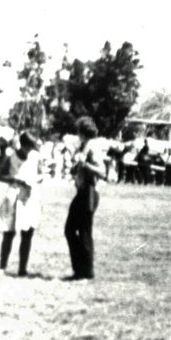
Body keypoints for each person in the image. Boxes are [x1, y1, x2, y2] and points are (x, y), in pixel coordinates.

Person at [0, 132, 43, 276]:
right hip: (14, 195)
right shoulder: (11, 157)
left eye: (32, 147)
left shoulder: (35, 157)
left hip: (30, 196)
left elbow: (40, 175)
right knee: (8, 232)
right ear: (22, 145)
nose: (30, 150)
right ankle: (2, 267)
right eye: (28, 147)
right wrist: (16, 179)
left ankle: (22, 269)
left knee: (27, 233)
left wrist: (35, 179)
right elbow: (0, 176)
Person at [64, 117, 106, 280]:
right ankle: (79, 269)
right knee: (70, 230)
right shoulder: (83, 145)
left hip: (89, 191)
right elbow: (78, 167)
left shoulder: (92, 146)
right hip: (81, 191)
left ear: (82, 131)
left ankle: (86, 272)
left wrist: (85, 164)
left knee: (84, 232)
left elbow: (102, 171)